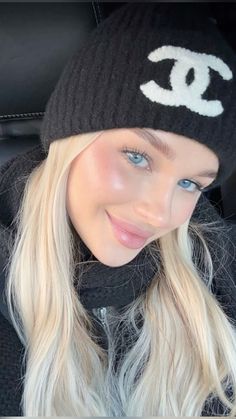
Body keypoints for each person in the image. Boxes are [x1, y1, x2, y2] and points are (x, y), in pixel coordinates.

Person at [0, 3, 236, 416]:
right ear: (70, 139)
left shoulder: (211, 266)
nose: (159, 215)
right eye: (137, 157)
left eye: (189, 184)